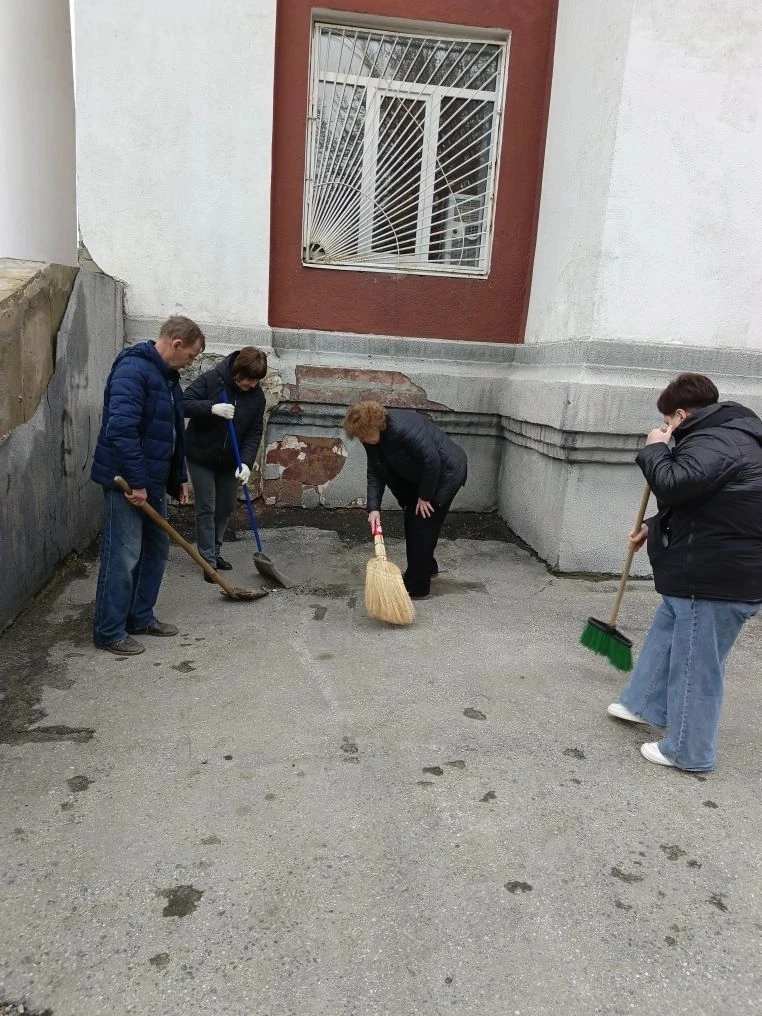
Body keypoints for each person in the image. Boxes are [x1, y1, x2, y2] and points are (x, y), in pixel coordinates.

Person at [608, 373, 762, 771]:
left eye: (668, 422)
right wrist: (655, 526)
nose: (667, 429)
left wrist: (654, 450)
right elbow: (705, 500)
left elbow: (675, 484)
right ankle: (643, 704)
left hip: (717, 578)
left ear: (680, 414)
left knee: (697, 664)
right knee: (668, 630)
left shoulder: (717, 441)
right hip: (710, 567)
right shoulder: (725, 436)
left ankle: (689, 751)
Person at [91, 316, 205, 655]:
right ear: (176, 344)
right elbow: (121, 429)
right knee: (123, 555)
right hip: (126, 482)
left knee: (155, 551)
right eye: (191, 356)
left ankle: (139, 617)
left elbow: (172, 431)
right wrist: (137, 483)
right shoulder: (133, 370)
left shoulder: (166, 378)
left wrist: (178, 477)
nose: (190, 363)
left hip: (152, 481)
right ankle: (109, 631)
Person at [343, 400, 467, 599]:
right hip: (423, 478)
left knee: (421, 523)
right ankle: (426, 566)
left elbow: (432, 460)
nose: (361, 440)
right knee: (415, 520)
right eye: (358, 437)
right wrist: (374, 508)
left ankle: (417, 586)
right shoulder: (372, 440)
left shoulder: (402, 429)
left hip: (446, 473)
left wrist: (425, 497)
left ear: (374, 427)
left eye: (362, 436)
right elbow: (375, 471)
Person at [183, 347, 268, 581]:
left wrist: (246, 463)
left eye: (256, 381)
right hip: (200, 455)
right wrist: (211, 408)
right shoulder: (212, 380)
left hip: (231, 460)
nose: (252, 385)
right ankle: (208, 560)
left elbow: (254, 433)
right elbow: (183, 403)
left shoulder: (257, 397)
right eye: (249, 379)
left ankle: (215, 550)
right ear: (238, 372)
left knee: (225, 507)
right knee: (206, 506)